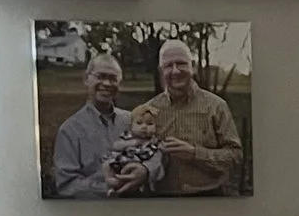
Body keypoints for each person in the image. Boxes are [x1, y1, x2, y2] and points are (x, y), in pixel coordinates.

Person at [131, 37, 245, 195]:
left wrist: (195, 154)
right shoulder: (149, 110)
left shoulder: (216, 106)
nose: (175, 71)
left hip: (208, 196)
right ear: (161, 71)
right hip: (163, 198)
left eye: (181, 63)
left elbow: (235, 157)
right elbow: (136, 150)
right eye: (168, 66)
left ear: (194, 67)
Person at [50, 49, 134, 197]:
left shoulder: (131, 121)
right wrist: (108, 188)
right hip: (93, 208)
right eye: (100, 77)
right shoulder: (70, 130)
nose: (106, 83)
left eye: (113, 78)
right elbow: (67, 185)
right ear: (86, 79)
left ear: (120, 83)